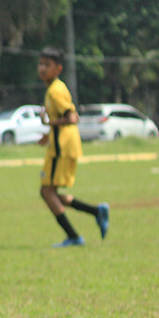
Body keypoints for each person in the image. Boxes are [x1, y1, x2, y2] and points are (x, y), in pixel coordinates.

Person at [37, 46, 109, 248]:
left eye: (47, 65)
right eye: (41, 64)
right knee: (49, 193)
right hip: (60, 145)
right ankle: (96, 211)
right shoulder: (53, 88)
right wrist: (48, 133)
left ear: (58, 69)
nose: (42, 68)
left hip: (62, 147)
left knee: (47, 192)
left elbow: (71, 117)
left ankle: (74, 236)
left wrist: (51, 124)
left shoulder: (55, 90)